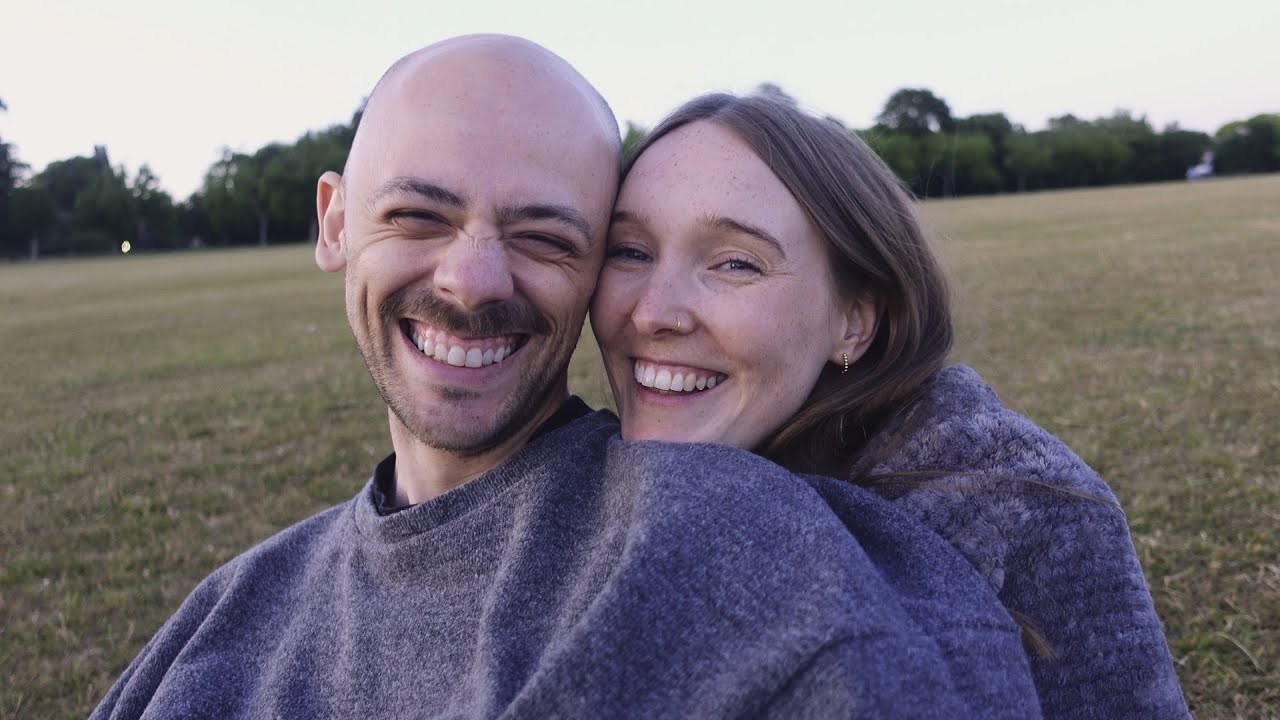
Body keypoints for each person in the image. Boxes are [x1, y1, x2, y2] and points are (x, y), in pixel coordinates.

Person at [91, 37, 1042, 718]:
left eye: (544, 237)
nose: (472, 281)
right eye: (419, 216)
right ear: (336, 223)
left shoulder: (731, 542)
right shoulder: (226, 616)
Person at [590, 92, 1191, 719]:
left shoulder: (1022, 507)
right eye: (630, 251)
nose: (652, 312)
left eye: (736, 264)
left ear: (854, 321)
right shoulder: (572, 483)